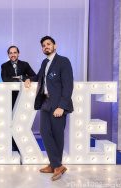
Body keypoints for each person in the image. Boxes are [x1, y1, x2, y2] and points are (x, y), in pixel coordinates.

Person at [32, 36, 74, 181]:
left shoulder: (63, 61)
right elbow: (37, 77)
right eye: (43, 45)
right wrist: (26, 79)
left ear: (55, 46)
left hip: (58, 104)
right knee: (44, 131)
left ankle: (56, 165)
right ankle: (55, 164)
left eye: (48, 44)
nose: (46, 47)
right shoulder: (45, 62)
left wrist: (62, 106)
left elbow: (68, 86)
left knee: (57, 135)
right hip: (45, 102)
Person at [1, 45, 36, 151]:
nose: (13, 54)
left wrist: (22, 77)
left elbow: (34, 76)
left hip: (23, 97)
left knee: (20, 121)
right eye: (11, 53)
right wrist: (18, 80)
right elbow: (5, 79)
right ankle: (13, 144)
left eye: (15, 52)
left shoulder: (25, 64)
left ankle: (21, 143)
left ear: (18, 54)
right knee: (11, 120)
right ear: (8, 55)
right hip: (10, 96)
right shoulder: (4, 65)